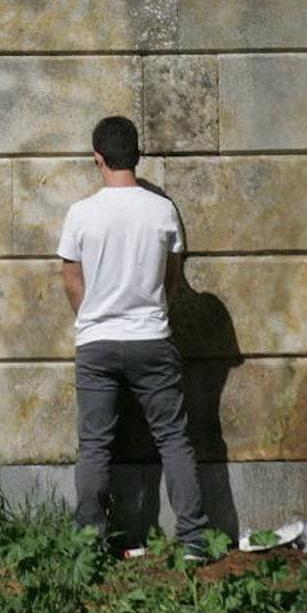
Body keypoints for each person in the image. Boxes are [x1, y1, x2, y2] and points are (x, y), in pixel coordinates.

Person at [58, 116, 210, 559]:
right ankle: (195, 540)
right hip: (151, 337)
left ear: (97, 157)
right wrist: (153, 308)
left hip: (96, 341)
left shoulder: (81, 213)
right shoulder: (162, 209)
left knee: (95, 445)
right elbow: (172, 277)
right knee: (174, 439)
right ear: (136, 155)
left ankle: (90, 543)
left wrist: (92, 315)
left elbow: (71, 277)